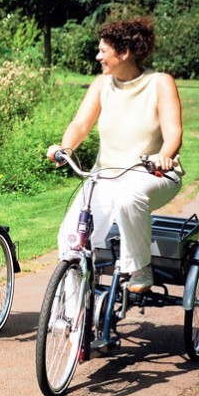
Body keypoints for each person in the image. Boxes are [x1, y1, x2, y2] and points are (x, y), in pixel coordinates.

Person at [47, 17, 184, 293]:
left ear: (124, 53)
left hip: (152, 173)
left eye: (103, 51)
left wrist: (164, 155)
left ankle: (140, 268)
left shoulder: (160, 83)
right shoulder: (102, 84)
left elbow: (173, 133)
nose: (98, 56)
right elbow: (80, 125)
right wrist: (65, 148)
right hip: (106, 176)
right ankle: (74, 319)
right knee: (71, 238)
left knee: (128, 197)